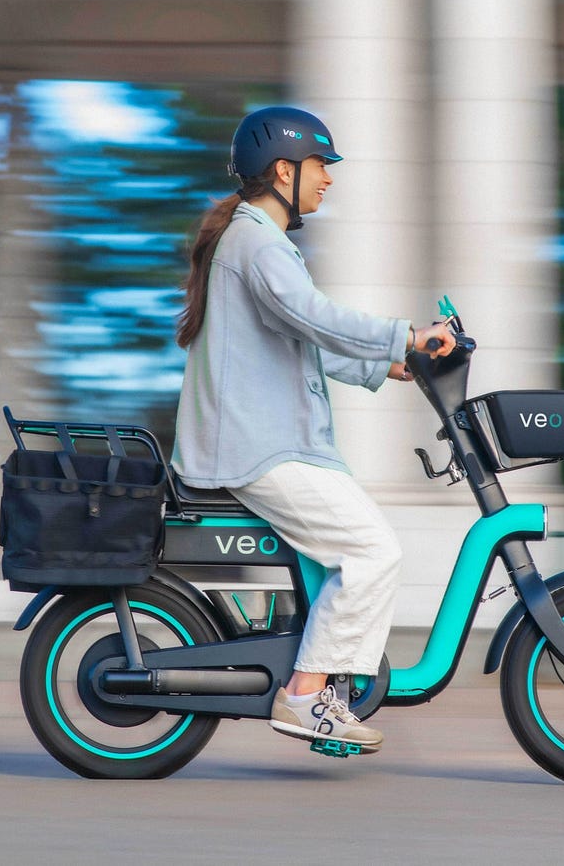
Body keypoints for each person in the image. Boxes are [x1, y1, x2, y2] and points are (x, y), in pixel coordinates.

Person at [171, 106, 455, 753]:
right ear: (282, 170)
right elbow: (312, 314)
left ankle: (323, 687)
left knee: (354, 548)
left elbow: (304, 342)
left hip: (266, 442)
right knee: (371, 549)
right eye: (320, 165)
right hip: (258, 448)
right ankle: (303, 695)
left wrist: (387, 363)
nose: (328, 178)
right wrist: (405, 334)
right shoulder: (256, 243)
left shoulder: (258, 242)